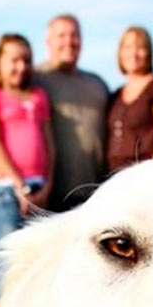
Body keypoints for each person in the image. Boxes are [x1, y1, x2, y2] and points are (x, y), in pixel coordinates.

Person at [0, 33, 55, 304]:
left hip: (37, 185)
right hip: (6, 187)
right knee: (6, 253)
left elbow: (49, 141)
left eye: (26, 60)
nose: (20, 66)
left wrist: (48, 183)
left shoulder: (38, 95)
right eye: (13, 60)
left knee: (34, 257)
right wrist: (17, 182)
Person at [34, 14, 108, 211]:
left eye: (74, 35)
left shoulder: (98, 85)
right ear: (48, 42)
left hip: (93, 195)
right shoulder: (35, 79)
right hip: (47, 195)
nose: (69, 42)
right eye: (61, 36)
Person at [105, 26, 153, 175]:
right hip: (113, 177)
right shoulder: (116, 95)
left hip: (144, 178)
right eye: (128, 47)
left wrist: (146, 177)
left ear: (148, 52)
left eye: (140, 47)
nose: (133, 53)